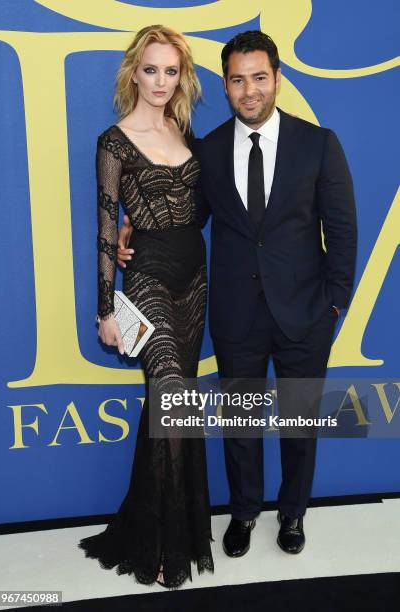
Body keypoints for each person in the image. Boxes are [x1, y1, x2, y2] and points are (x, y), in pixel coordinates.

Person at [117, 31, 357, 559]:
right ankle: (244, 512)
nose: (249, 90)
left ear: (276, 79)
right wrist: (133, 227)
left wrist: (334, 303)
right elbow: (187, 216)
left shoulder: (318, 144)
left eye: (259, 77)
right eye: (237, 80)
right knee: (242, 425)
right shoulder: (206, 151)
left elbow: (341, 232)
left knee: (299, 426)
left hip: (305, 316)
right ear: (224, 86)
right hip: (237, 316)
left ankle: (293, 513)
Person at [78, 25, 214, 590]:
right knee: (170, 396)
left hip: (195, 276)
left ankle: (174, 531)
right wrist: (106, 309)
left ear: (181, 77)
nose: (161, 81)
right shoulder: (114, 142)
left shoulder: (184, 130)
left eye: (171, 70)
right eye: (151, 69)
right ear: (134, 72)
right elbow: (107, 229)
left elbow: (198, 210)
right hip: (150, 278)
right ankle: (158, 543)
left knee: (175, 409)